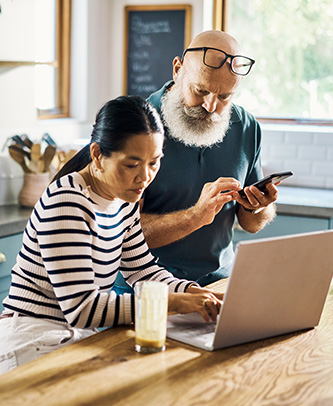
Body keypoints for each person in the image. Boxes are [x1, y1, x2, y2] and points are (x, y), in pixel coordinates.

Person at [0, 96, 222, 374]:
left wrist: (191, 291)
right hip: (31, 339)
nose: (145, 177)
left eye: (154, 162)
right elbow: (82, 309)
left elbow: (144, 272)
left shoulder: (123, 200)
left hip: (71, 337)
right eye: (132, 165)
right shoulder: (67, 202)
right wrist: (173, 302)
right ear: (97, 155)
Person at [114, 30, 278, 291]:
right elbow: (119, 235)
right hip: (146, 289)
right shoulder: (135, 124)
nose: (211, 106)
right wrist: (195, 217)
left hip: (219, 285)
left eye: (225, 96)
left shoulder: (247, 127)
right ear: (178, 70)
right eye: (201, 90)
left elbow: (251, 224)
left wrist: (257, 207)